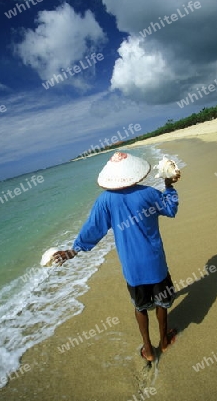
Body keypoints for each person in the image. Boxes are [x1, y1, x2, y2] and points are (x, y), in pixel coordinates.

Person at [54, 152, 180, 362]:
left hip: (132, 268)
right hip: (155, 262)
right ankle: (164, 341)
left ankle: (148, 349)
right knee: (161, 303)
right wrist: (168, 185)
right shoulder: (148, 193)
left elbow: (93, 229)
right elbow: (171, 209)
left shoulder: (105, 200)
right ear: (134, 172)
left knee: (140, 307)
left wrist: (73, 251)